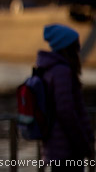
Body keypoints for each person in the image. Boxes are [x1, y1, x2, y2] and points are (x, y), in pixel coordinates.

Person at [37, 23, 94, 171]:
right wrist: (82, 143)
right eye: (76, 45)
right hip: (68, 150)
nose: (79, 48)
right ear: (67, 47)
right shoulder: (62, 71)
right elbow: (66, 111)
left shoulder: (50, 69)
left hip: (57, 148)